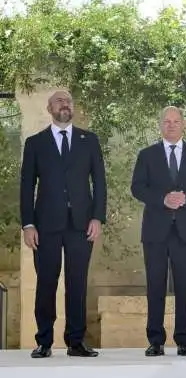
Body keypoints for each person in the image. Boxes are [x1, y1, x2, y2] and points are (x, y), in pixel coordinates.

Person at [19, 90, 107, 358]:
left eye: (68, 101)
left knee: (77, 282)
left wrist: (97, 217)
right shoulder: (35, 143)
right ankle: (44, 341)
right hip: (45, 225)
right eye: (59, 101)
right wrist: (28, 224)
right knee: (46, 281)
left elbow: (100, 183)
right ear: (49, 108)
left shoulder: (89, 141)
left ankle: (76, 341)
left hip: (82, 224)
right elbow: (26, 186)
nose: (65, 104)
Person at [131, 106, 186, 357]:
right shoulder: (147, 155)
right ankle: (155, 341)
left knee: (185, 287)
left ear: (183, 124)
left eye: (176, 121)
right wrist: (162, 198)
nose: (171, 125)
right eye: (166, 121)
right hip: (155, 232)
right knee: (155, 286)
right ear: (160, 125)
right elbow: (137, 187)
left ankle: (184, 340)